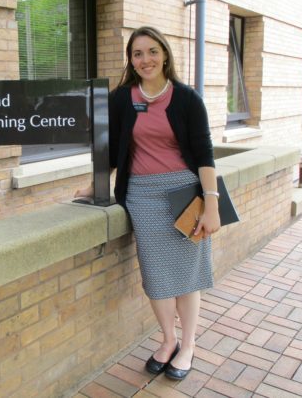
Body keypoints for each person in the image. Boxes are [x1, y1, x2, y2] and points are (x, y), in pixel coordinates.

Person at [75, 26, 220, 380]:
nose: (145, 60)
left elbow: (204, 154)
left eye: (152, 51)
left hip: (185, 194)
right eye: (137, 54)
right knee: (156, 275)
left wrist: (212, 204)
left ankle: (188, 345)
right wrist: (94, 185)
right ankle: (168, 340)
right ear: (131, 60)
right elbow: (111, 147)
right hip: (141, 195)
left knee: (187, 277)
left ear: (165, 54)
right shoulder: (122, 98)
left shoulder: (187, 99)